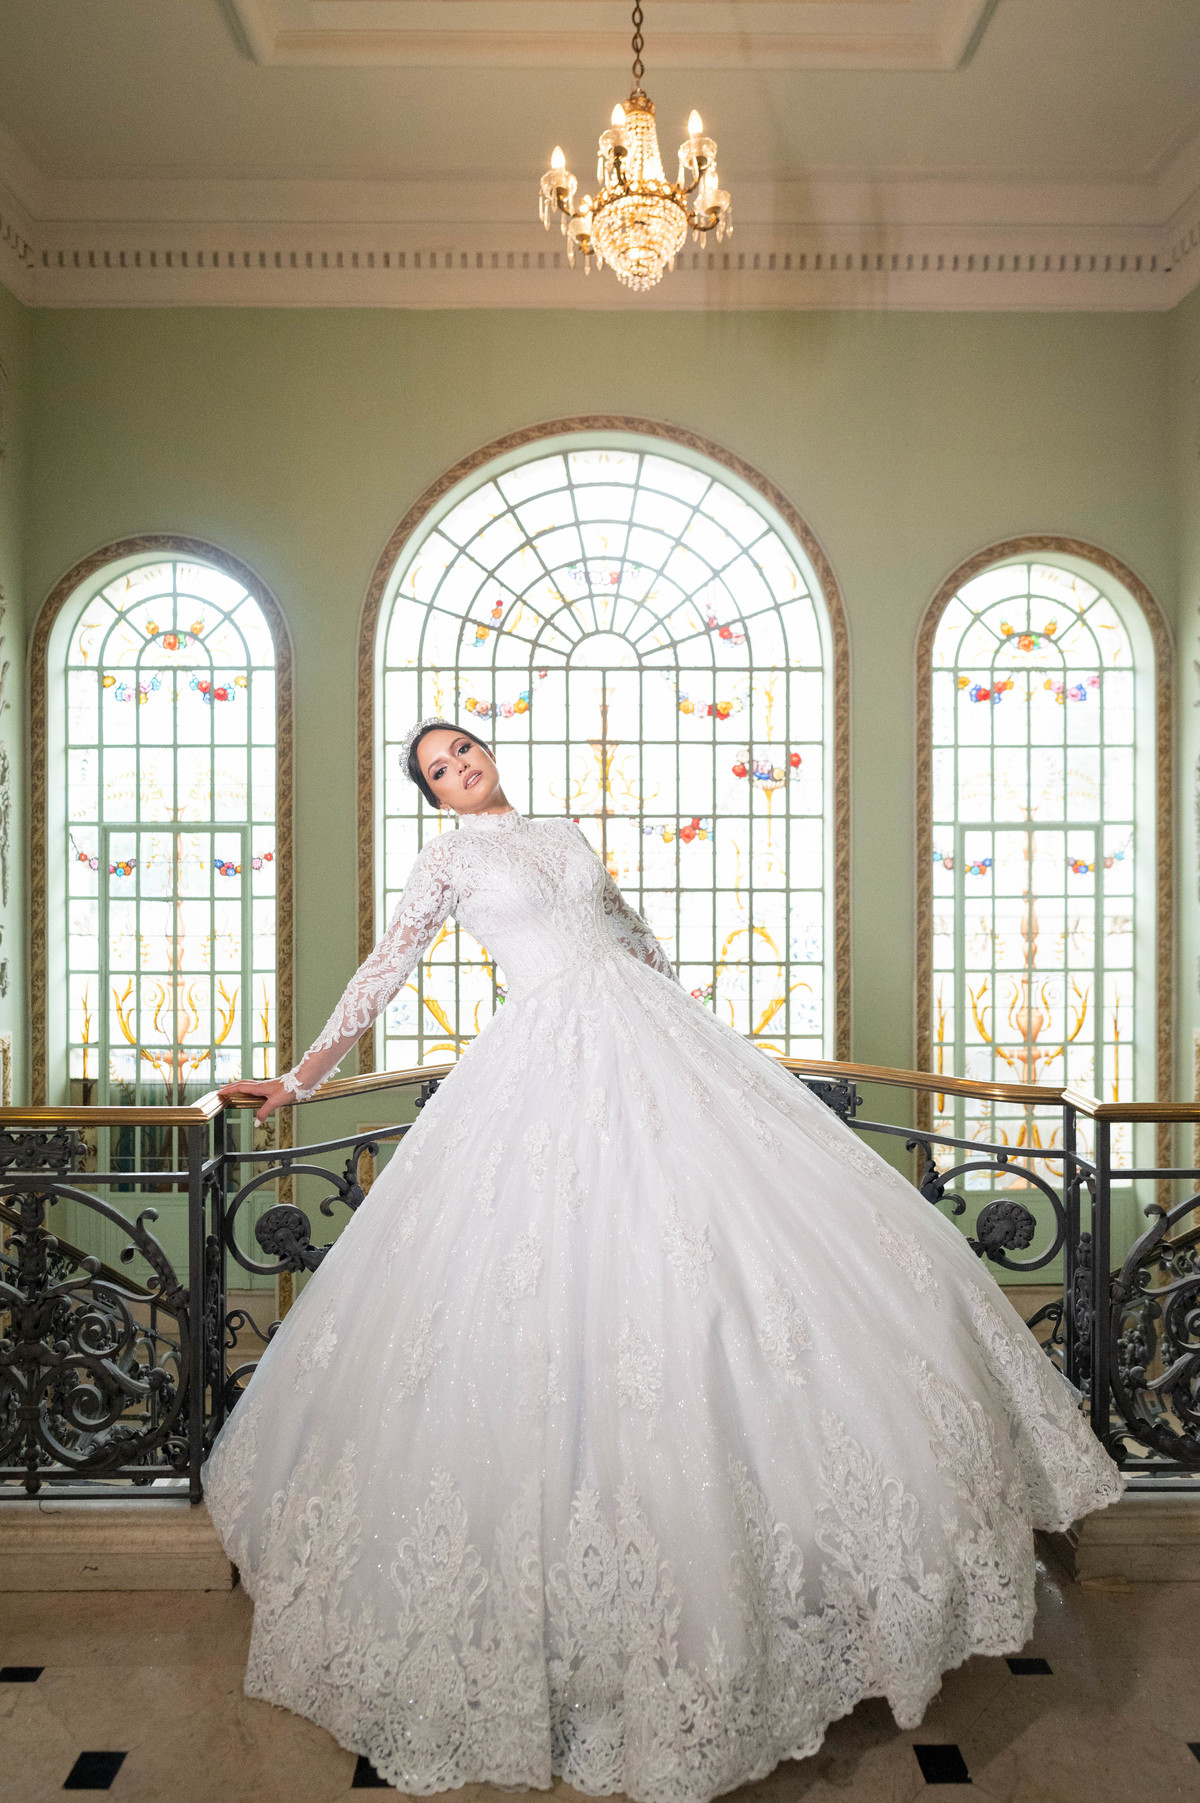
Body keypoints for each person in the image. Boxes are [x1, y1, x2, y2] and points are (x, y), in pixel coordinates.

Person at [205, 718, 1121, 1803]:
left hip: (647, 1040)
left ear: (490, 754)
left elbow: (627, 931)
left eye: (465, 752)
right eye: (438, 771)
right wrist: (303, 1079)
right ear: (432, 799)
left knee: (748, 1263)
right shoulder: (449, 859)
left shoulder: (560, 828)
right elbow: (387, 965)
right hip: (541, 1058)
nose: (460, 770)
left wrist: (679, 1018)